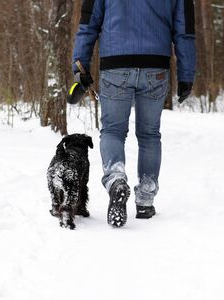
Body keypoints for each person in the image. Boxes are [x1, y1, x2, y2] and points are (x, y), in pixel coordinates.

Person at [72, 0, 196, 227]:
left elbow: (88, 25)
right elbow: (184, 31)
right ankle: (146, 200)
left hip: (115, 65)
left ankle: (116, 179)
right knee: (149, 134)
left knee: (112, 131)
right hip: (156, 66)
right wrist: (186, 74)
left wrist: (80, 66)